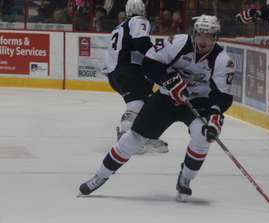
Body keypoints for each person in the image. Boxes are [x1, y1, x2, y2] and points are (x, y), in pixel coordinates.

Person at [79, 14, 236, 202]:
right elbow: (149, 63)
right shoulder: (177, 43)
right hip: (166, 98)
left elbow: (222, 95)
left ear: (216, 37)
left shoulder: (222, 60)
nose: (203, 40)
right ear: (194, 33)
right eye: (200, 34)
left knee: (202, 135)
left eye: (209, 36)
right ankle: (100, 176)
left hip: (198, 102)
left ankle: (185, 179)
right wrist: (168, 81)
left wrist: (216, 114)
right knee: (134, 138)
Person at [101, 0, 168, 154]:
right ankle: (126, 137)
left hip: (116, 73)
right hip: (127, 71)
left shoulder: (120, 26)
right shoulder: (139, 21)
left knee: (149, 103)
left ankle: (145, 136)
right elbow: (141, 43)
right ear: (142, 9)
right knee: (137, 104)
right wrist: (159, 58)